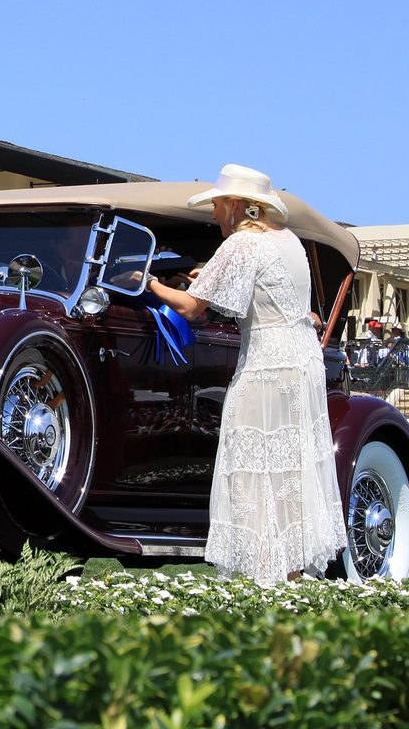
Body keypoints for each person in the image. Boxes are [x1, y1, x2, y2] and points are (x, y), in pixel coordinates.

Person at [144, 164, 347, 583]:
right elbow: (264, 287)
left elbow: (190, 308)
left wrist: (149, 283)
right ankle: (289, 569)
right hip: (302, 360)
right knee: (291, 462)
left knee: (253, 459)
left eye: (217, 206)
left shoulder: (240, 245)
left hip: (266, 363)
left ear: (237, 206)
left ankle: (262, 569)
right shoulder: (288, 241)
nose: (215, 215)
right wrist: (205, 276)